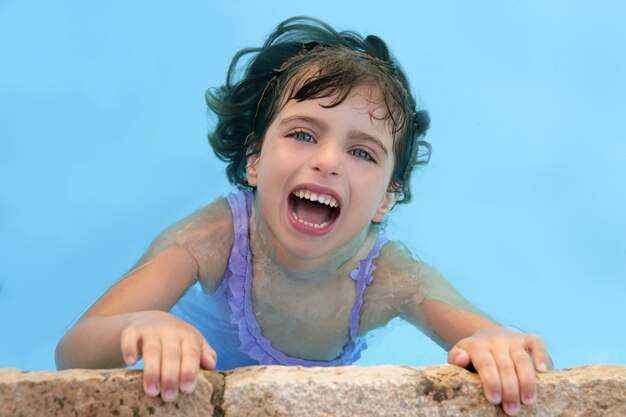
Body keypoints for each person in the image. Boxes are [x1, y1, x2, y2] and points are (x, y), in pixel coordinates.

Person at [55, 16, 551, 416]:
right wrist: (141, 325)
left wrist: (494, 343)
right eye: (303, 135)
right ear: (254, 160)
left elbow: (487, 337)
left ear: (385, 198)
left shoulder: (387, 278)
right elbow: (72, 352)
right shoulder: (215, 239)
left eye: (362, 152)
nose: (329, 161)